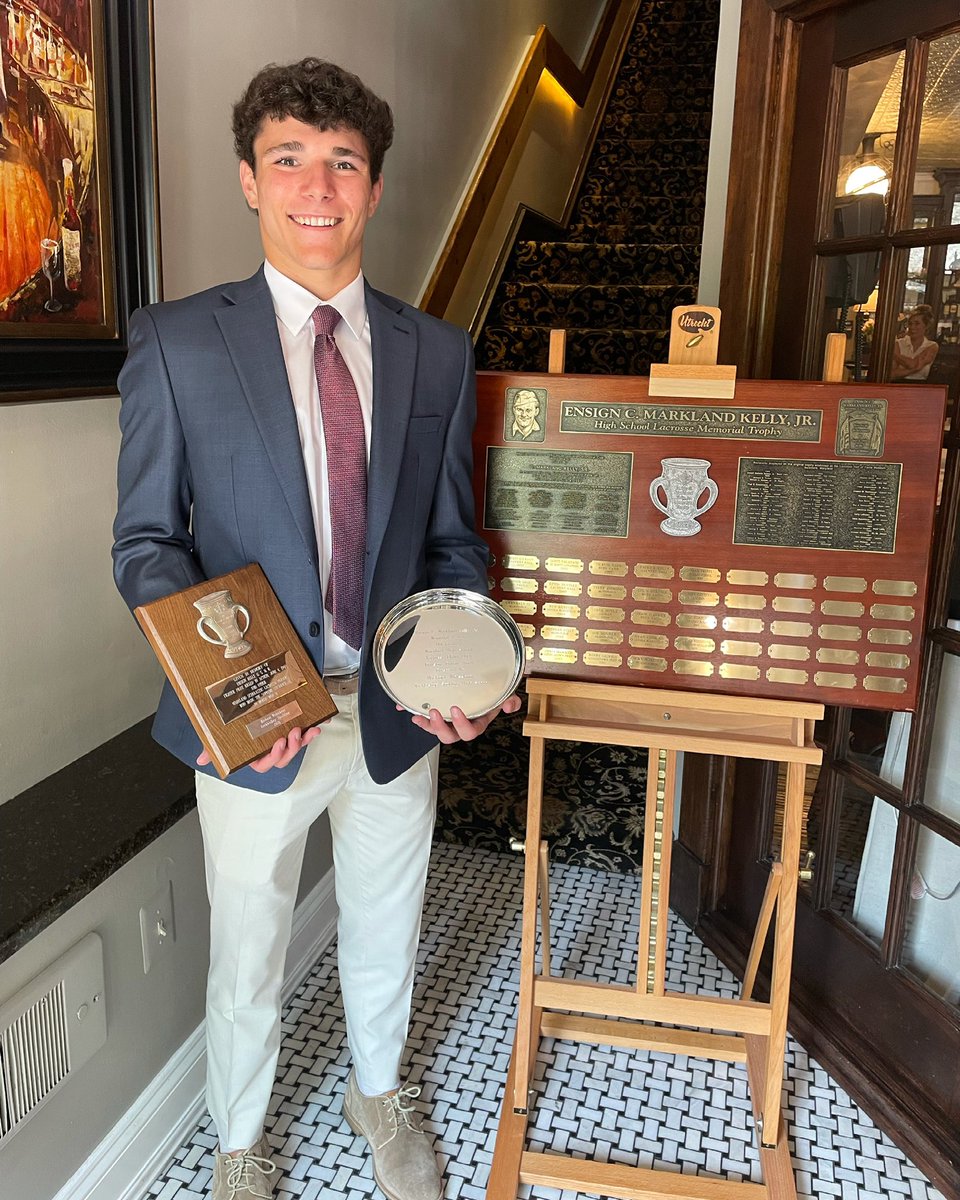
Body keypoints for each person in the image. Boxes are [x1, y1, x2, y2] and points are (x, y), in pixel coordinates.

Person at [113, 58, 519, 1200]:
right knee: (246, 954)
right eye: (288, 158)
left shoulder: (435, 350)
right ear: (250, 180)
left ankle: (377, 1090)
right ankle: (241, 1146)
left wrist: (460, 673)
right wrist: (242, 696)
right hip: (254, 728)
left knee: (387, 924)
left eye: (343, 161)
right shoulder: (178, 340)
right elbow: (147, 544)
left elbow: (450, 546)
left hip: (392, 718)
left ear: (375, 187)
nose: (317, 186)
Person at [892, 305, 939, 381]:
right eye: (910, 324)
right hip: (898, 385)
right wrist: (916, 367)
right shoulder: (898, 343)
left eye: (917, 323)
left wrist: (895, 355)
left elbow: (912, 364)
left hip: (921, 388)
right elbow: (892, 374)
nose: (912, 327)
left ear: (926, 326)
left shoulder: (931, 346)